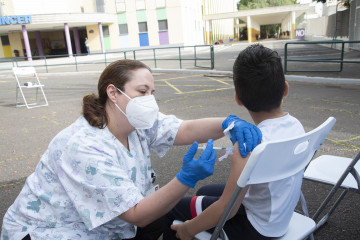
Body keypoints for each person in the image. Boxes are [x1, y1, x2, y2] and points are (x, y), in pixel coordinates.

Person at [1, 59, 262, 240]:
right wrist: (186, 178)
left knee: (168, 212)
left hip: (112, 225)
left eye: (152, 92)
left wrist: (228, 124)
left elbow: (184, 129)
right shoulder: (83, 145)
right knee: (158, 214)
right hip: (52, 231)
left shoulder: (136, 122)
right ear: (113, 93)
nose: (150, 99)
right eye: (142, 91)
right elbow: (137, 215)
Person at [166, 44, 306, 240]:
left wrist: (188, 230)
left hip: (255, 229)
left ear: (237, 98)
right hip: (279, 215)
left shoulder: (249, 146)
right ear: (285, 89)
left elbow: (227, 209)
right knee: (206, 190)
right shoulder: (296, 126)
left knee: (172, 209)